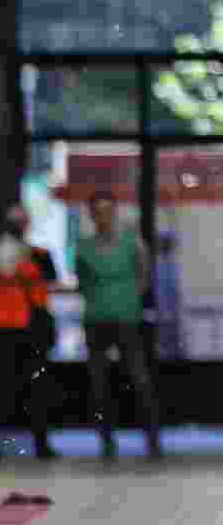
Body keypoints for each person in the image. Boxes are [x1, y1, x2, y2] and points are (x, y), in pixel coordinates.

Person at [76, 191, 162, 461]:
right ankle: (106, 443)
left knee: (140, 381)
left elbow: (144, 276)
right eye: (97, 210)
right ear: (91, 214)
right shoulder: (83, 246)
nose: (103, 215)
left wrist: (127, 298)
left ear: (114, 212)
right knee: (98, 385)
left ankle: (153, 441)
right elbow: (82, 281)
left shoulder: (132, 242)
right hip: (96, 321)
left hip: (127, 320)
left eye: (107, 209)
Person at [0, 204, 59, 460]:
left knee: (38, 388)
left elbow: (51, 278)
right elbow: (2, 270)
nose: (19, 225)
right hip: (4, 328)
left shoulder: (39, 253)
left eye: (22, 221)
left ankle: (41, 443)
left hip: (32, 327)